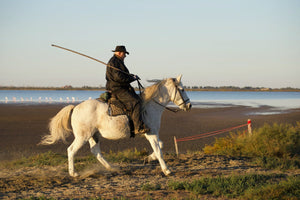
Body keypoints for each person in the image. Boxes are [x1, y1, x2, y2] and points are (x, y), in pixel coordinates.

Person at [105, 45, 150, 137]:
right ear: (119, 53)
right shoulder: (114, 62)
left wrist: (132, 76)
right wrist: (132, 78)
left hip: (119, 87)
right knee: (136, 102)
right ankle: (138, 127)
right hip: (117, 88)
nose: (125, 56)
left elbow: (123, 75)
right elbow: (119, 78)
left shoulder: (117, 61)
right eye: (124, 54)